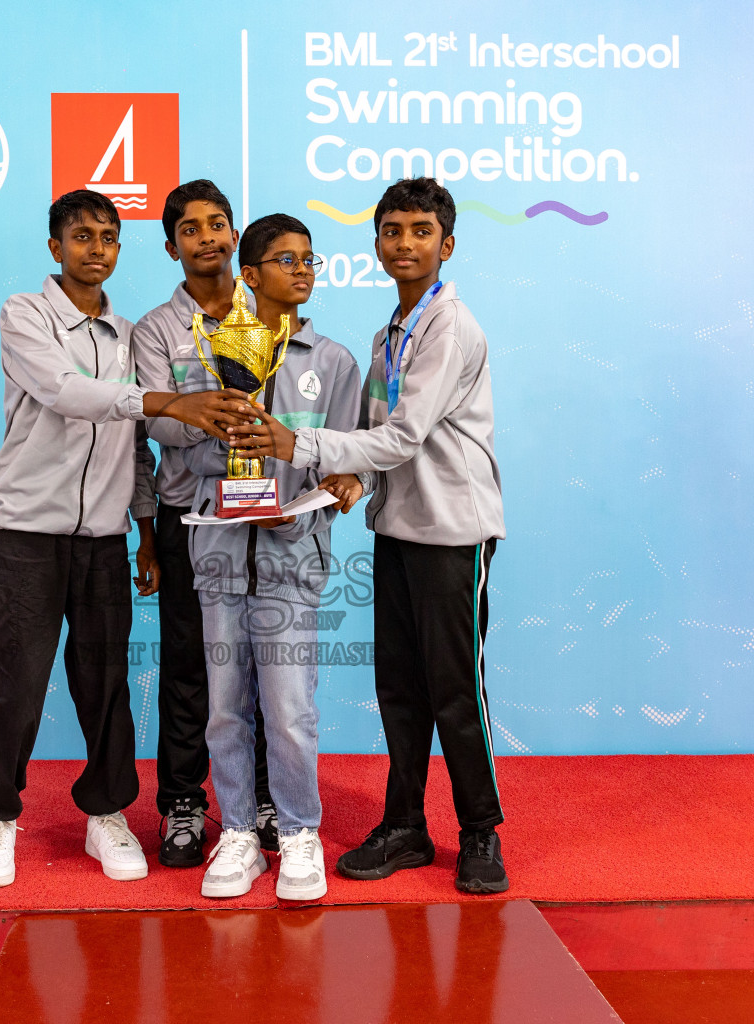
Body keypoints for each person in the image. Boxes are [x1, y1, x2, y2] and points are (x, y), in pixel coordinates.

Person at [0, 189, 257, 889]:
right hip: (25, 532)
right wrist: (166, 401)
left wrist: (145, 532)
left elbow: (133, 447)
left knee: (105, 685)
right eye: (82, 237)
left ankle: (106, 813)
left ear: (121, 250)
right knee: (12, 682)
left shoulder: (128, 335)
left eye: (108, 238)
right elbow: (65, 392)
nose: (96, 249)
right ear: (55, 247)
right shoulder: (25, 314)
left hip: (103, 538)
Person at [225, 178, 510, 894]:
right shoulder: (390, 334)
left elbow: (404, 435)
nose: (404, 243)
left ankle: (480, 830)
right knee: (400, 689)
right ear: (376, 243)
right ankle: (406, 825)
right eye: (391, 230)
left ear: (447, 245)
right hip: (398, 528)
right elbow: (380, 442)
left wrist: (301, 447)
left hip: (453, 532)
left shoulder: (450, 327)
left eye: (421, 231)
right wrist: (351, 480)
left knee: (455, 690)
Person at [184, 213, 366, 900]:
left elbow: (353, 455)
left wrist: (339, 486)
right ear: (250, 275)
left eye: (309, 260)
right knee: (225, 709)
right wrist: (226, 453)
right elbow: (184, 452)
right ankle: (237, 832)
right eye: (287, 260)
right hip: (221, 555)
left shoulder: (334, 362)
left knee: (289, 711)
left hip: (293, 557)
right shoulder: (209, 351)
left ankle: (298, 833)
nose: (303, 271)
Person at [132, 180, 276, 869]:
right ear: (172, 247)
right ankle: (184, 801)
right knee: (190, 663)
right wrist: (211, 414)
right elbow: (155, 421)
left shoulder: (270, 314)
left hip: (262, 513)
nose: (207, 238)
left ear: (234, 235)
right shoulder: (155, 329)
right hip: (190, 514)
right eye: (190, 229)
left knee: (264, 660)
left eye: (217, 224)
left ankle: (267, 798)